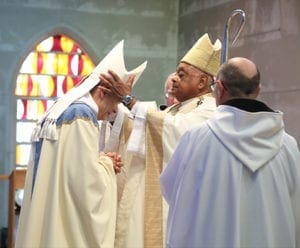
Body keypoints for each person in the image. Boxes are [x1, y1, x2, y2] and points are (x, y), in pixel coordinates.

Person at [15, 41, 146, 247]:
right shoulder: (82, 116)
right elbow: (86, 187)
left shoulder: (59, 111)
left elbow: (69, 173)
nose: (114, 111)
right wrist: (108, 165)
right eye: (116, 102)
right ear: (102, 91)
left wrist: (101, 160)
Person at [160, 57, 300, 247]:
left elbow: (173, 191)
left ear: (219, 87)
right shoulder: (288, 145)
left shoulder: (197, 138)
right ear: (258, 90)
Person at [100, 33, 222, 248]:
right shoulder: (180, 106)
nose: (174, 78)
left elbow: (175, 132)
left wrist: (128, 99)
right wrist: (114, 109)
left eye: (182, 74)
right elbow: (148, 127)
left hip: (182, 201)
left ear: (203, 81)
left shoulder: (209, 109)